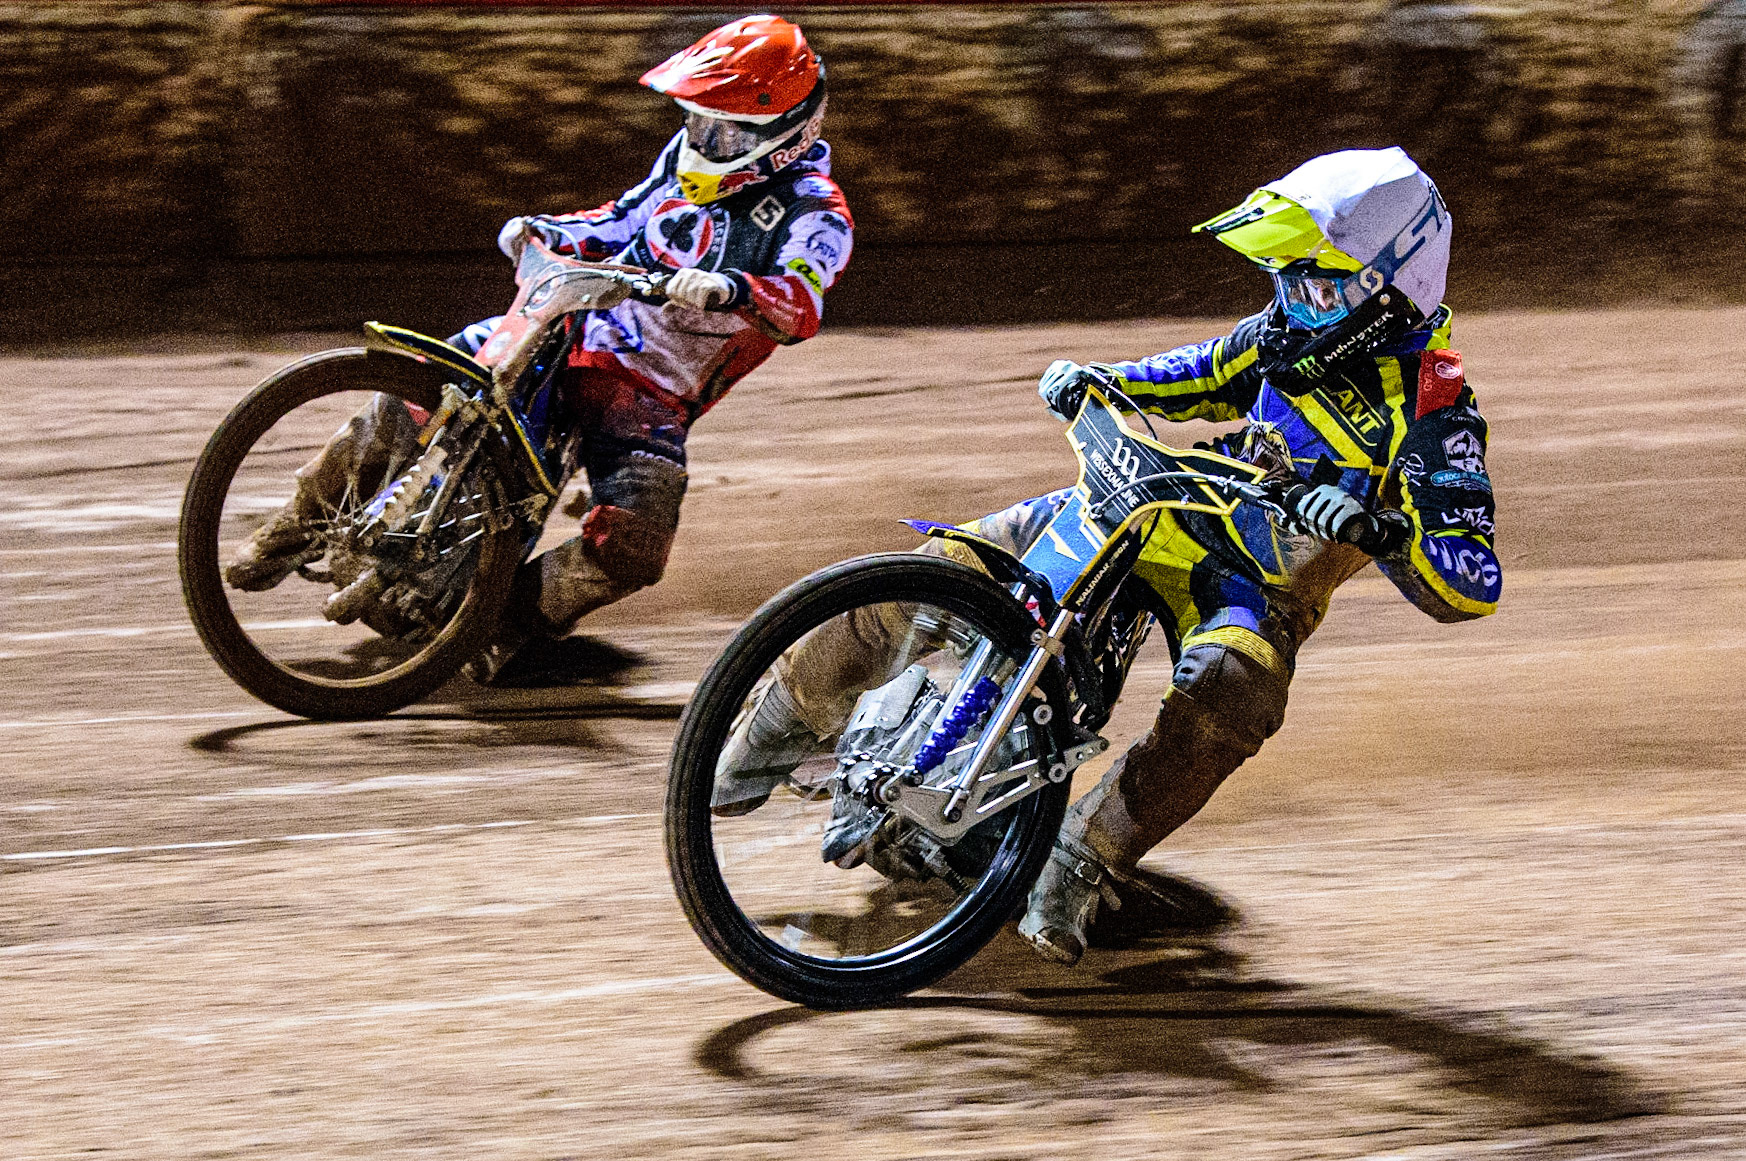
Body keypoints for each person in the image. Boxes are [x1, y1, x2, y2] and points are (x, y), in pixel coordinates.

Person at [712, 146, 1501, 966]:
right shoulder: (1281, 335)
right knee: (952, 566)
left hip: (1249, 581)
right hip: (1155, 499)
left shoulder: (1437, 413)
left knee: (1234, 685)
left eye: (1323, 283)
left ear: (1393, 286)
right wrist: (1102, 379)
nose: (1299, 301)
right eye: (1291, 278)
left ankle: (1085, 860)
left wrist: (1382, 527)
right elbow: (1197, 373)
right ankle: (773, 723)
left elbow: (1471, 581)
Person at [227, 14, 854, 686]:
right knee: (417, 384)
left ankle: (504, 618)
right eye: (697, 120)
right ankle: (296, 521)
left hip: (647, 393)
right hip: (570, 325)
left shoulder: (815, 214)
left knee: (635, 543)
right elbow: (620, 219)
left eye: (720, 127)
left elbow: (800, 301)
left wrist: (730, 288)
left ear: (777, 135)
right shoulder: (681, 159)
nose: (701, 137)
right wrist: (546, 230)